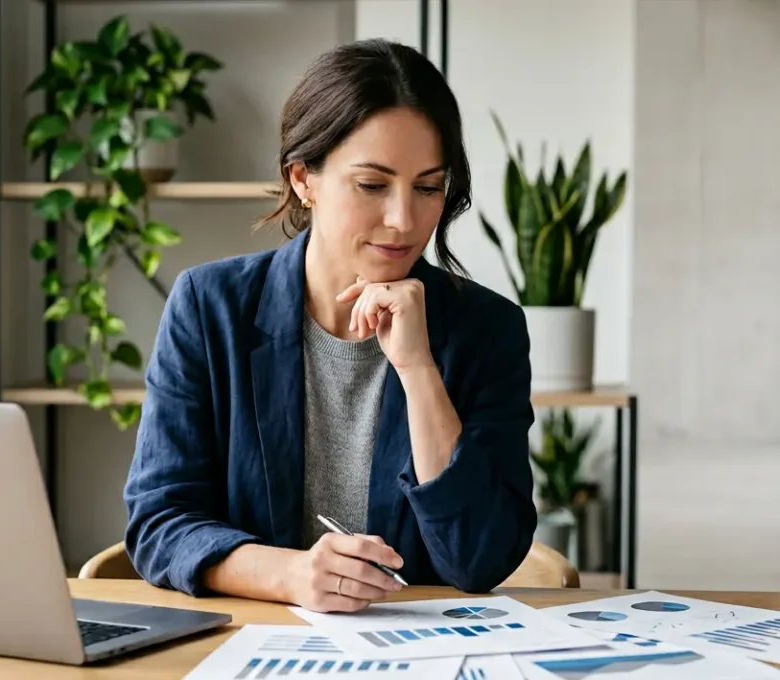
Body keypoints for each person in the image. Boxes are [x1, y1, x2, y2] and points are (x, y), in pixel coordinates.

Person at [122, 38, 537, 613]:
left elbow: (480, 558)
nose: (403, 220)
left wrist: (419, 372)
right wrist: (290, 574)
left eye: (427, 187)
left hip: (423, 655)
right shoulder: (208, 306)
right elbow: (160, 522)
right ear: (303, 179)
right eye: (372, 185)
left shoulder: (487, 328)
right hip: (253, 644)